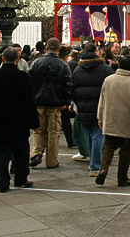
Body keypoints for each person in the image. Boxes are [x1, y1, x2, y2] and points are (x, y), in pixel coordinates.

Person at [0, 47, 39, 193]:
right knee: (21, 152)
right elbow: (30, 101)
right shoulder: (23, 77)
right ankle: (21, 179)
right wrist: (33, 121)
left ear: (2, 59)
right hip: (19, 121)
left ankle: (2, 182)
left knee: (1, 153)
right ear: (17, 60)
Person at [95, 56, 130, 187]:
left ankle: (103, 169)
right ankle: (122, 178)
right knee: (126, 151)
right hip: (127, 122)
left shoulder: (108, 80)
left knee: (108, 147)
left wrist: (100, 119)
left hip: (110, 119)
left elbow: (102, 101)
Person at [28, 38, 73, 169]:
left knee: (38, 130)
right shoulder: (63, 65)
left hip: (38, 102)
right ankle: (52, 160)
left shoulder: (36, 63)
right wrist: (66, 101)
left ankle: (36, 153)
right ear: (58, 49)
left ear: (46, 48)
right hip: (55, 103)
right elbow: (68, 85)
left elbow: (29, 82)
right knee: (53, 132)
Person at [72, 43, 113, 176]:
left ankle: (93, 163)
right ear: (95, 52)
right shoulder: (105, 69)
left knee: (88, 136)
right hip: (100, 107)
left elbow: (72, 89)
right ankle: (95, 165)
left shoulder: (77, 70)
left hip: (83, 107)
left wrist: (77, 104)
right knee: (98, 136)